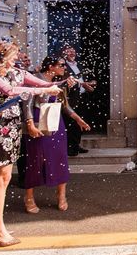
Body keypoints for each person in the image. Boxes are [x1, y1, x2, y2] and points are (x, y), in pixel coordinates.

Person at [0, 40, 61, 247]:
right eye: (14, 55)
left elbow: (39, 82)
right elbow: (9, 90)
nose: (17, 58)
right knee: (0, 179)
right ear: (2, 56)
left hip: (12, 127)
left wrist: (55, 85)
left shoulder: (16, 71)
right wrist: (41, 91)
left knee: (0, 179)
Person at [20, 56, 90, 214]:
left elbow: (64, 105)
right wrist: (30, 123)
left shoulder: (60, 81)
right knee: (35, 158)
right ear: (50, 66)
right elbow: (27, 104)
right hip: (38, 118)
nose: (64, 68)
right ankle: (29, 197)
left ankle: (61, 194)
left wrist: (78, 119)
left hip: (56, 120)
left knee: (59, 157)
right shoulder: (35, 79)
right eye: (61, 65)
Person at [62, 45, 94, 156]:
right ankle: (70, 147)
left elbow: (83, 79)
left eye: (73, 51)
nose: (72, 53)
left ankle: (76, 144)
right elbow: (66, 81)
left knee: (81, 121)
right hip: (70, 98)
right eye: (69, 52)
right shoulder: (63, 66)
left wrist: (88, 84)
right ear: (64, 53)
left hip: (82, 96)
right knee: (71, 123)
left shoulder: (79, 65)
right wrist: (82, 84)